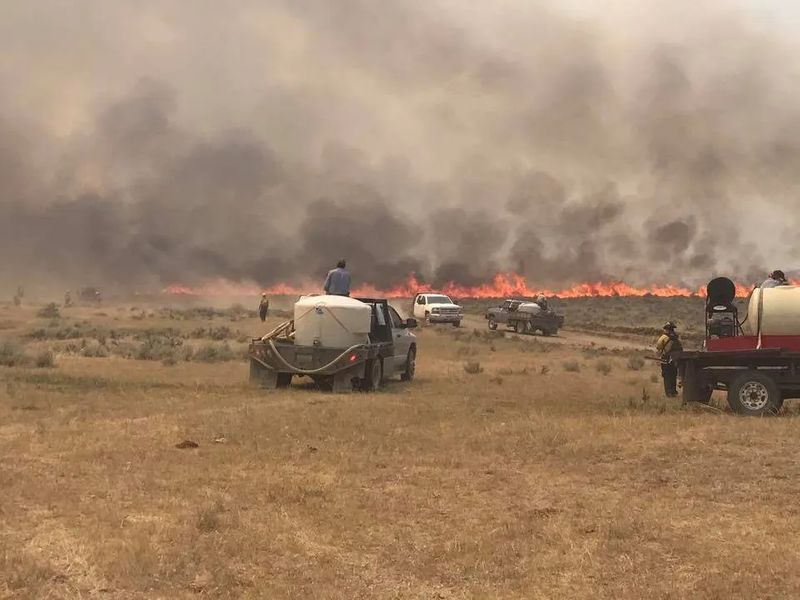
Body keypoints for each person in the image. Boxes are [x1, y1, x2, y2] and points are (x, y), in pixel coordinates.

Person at [655, 322, 683, 397]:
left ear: (666, 329)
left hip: (666, 359)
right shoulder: (677, 337)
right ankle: (673, 392)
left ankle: (669, 393)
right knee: (673, 375)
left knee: (667, 376)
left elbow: (658, 346)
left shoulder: (664, 337)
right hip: (675, 359)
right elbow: (681, 348)